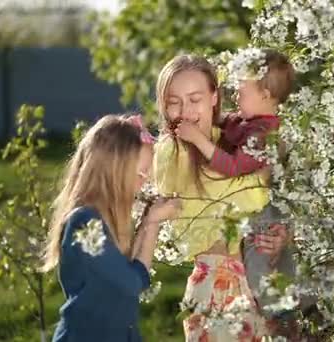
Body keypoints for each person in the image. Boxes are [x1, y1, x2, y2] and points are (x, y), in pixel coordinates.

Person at [153, 54, 292, 340]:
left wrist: (285, 236)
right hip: (215, 285)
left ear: (214, 97)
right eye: (173, 101)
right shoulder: (172, 152)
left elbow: (270, 200)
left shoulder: (242, 138)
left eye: (195, 99)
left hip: (263, 278)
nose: (185, 111)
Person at [41, 114, 181, 342]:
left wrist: (151, 221)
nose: (144, 182)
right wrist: (151, 221)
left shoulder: (107, 220)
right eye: (139, 174)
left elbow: (136, 278)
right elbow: (133, 282)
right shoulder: (84, 223)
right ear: (113, 169)